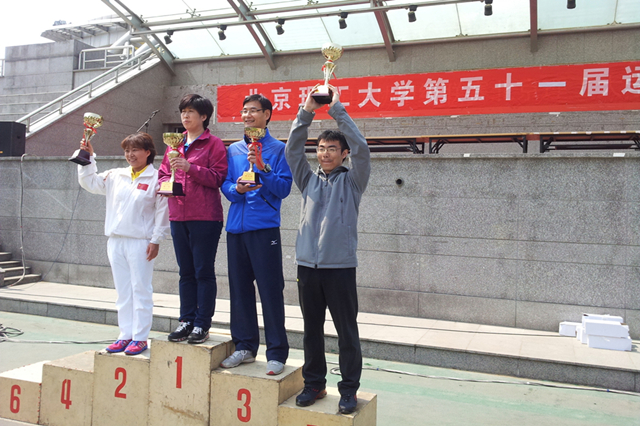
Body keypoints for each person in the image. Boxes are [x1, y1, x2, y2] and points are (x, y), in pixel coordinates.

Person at [284, 84, 371, 414]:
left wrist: (337, 110)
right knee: (311, 331)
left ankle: (348, 390)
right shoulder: (308, 180)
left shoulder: (353, 182)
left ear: (344, 153)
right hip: (307, 267)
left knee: (346, 332)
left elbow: (362, 148)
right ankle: (314, 384)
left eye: (332, 149)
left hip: (340, 268)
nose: (325, 154)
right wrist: (306, 111)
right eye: (321, 148)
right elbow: (293, 150)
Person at [76, 132, 170, 356]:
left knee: (141, 290)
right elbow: (89, 182)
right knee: (123, 292)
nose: (130, 154)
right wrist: (88, 157)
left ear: (148, 152)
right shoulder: (116, 175)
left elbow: (162, 211)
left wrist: (156, 240)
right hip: (116, 241)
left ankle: (140, 338)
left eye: (135, 150)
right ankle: (125, 335)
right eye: (127, 150)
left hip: (140, 242)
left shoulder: (157, 178)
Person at [220, 94, 292, 375]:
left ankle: (276, 352)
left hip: (264, 228)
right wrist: (236, 189)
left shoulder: (279, 149)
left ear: (267, 114)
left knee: (270, 290)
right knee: (239, 290)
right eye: (244, 111)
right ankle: (245, 346)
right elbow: (226, 185)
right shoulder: (234, 149)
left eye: (253, 110)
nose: (247, 115)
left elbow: (284, 188)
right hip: (236, 229)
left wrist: (262, 167)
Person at [159, 94, 228, 344]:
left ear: (204, 116)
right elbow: (163, 173)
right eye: (183, 111)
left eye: (191, 112)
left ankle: (202, 323)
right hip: (178, 215)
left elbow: (218, 178)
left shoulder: (214, 144)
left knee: (203, 271)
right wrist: (164, 185)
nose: (185, 116)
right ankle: (186, 320)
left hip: (205, 217)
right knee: (185, 272)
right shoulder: (173, 144)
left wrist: (190, 168)